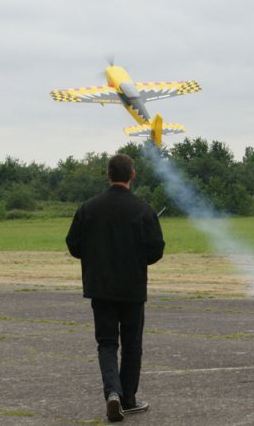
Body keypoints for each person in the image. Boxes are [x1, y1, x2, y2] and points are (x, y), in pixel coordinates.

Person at [65, 153, 165, 423]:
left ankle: (112, 393)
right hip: (133, 288)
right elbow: (156, 250)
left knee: (107, 343)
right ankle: (128, 399)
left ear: (108, 175)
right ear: (132, 175)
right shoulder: (143, 209)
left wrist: (96, 254)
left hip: (100, 287)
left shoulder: (88, 208)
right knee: (132, 344)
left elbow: (73, 244)